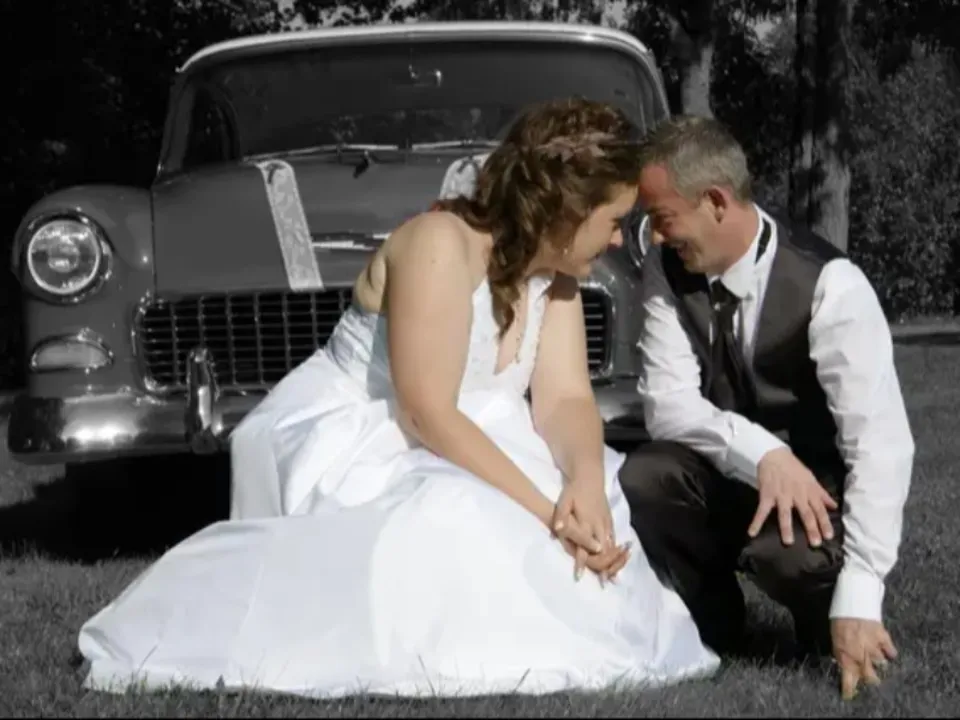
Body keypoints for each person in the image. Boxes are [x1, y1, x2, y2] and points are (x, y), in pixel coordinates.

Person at [76, 98, 720, 699]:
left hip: (477, 429)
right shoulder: (441, 243)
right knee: (454, 515)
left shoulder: (558, 281)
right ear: (564, 208)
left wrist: (581, 483)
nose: (618, 241)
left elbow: (565, 400)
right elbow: (425, 410)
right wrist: (548, 513)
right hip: (367, 431)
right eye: (613, 222)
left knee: (595, 500)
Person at [618, 115, 915, 700]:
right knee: (647, 474)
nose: (655, 235)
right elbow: (667, 405)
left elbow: (880, 445)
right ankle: (712, 628)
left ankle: (827, 623)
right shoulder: (665, 270)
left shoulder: (832, 285)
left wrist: (862, 591)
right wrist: (763, 454)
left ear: (715, 202)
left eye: (663, 217)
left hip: (816, 500)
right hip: (730, 476)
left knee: (789, 556)